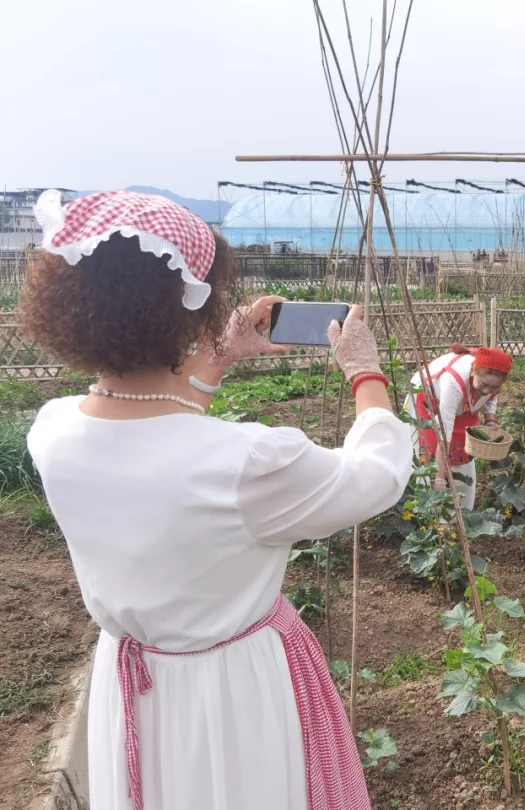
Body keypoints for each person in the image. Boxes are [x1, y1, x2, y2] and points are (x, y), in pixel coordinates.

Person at [23, 189, 411, 810]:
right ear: (189, 312)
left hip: (130, 684)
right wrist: (366, 373)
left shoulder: (53, 431)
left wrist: (215, 358)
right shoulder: (248, 462)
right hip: (232, 692)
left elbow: (158, 428)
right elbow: (376, 476)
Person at [403, 343, 513, 511]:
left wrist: (490, 420)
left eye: (494, 387)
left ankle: (462, 509)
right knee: (429, 455)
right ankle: (429, 511)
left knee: (462, 452)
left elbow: (491, 398)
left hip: (464, 404)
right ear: (473, 371)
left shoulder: (489, 384)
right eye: (484, 384)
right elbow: (444, 433)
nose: (487, 391)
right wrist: (439, 480)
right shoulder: (453, 383)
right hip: (428, 400)